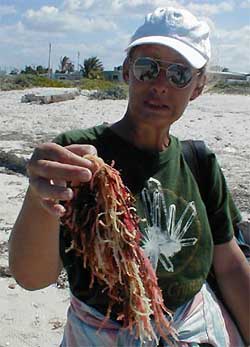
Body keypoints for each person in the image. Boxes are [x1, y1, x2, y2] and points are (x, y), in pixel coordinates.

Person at [8, 6, 250, 347]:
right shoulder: (74, 155)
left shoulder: (199, 161)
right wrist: (40, 198)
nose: (161, 85)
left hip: (194, 326)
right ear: (126, 72)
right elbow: (32, 278)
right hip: (100, 332)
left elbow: (228, 265)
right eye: (148, 67)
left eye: (179, 74)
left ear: (197, 86)